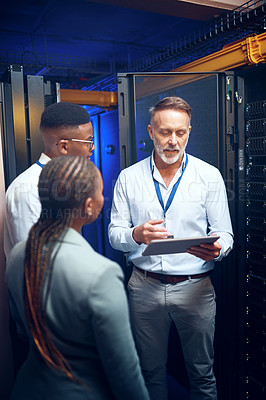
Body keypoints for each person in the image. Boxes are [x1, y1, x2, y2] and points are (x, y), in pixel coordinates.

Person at [108, 96, 234, 400]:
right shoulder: (128, 178)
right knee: (150, 372)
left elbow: (226, 233)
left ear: (189, 131)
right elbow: (114, 235)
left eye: (181, 133)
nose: (173, 141)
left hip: (196, 289)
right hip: (144, 286)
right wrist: (136, 235)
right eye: (165, 132)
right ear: (151, 132)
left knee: (202, 373)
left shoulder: (208, 176)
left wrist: (218, 249)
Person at [5, 156, 150, 400]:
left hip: (27, 388)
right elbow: (124, 372)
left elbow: (22, 328)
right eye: (101, 192)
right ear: (90, 206)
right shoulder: (101, 273)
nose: (104, 198)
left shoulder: (19, 254)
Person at [4, 101, 95, 258]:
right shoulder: (29, 189)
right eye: (89, 141)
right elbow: (36, 262)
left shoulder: (63, 183)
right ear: (64, 147)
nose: (92, 148)